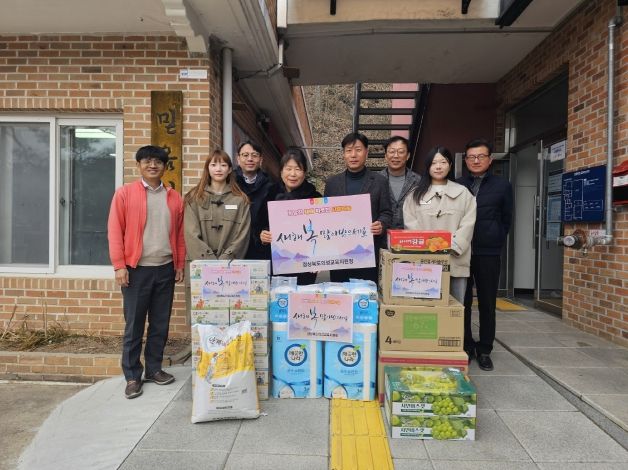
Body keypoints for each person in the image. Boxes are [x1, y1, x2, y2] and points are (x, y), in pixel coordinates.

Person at [107, 145, 185, 399]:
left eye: (158, 162)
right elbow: (115, 231)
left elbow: (179, 235)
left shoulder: (174, 197)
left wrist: (179, 264)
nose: (153, 165)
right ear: (139, 165)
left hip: (165, 268)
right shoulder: (125, 194)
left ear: (164, 166)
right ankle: (132, 376)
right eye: (147, 161)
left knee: (160, 324)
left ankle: (154, 369)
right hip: (135, 270)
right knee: (134, 325)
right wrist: (119, 265)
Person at [457, 138, 513, 371]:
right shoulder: (458, 185)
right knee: (462, 301)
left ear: (490, 160)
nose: (476, 160)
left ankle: (485, 349)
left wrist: (495, 237)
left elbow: (507, 218)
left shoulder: (502, 185)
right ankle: (466, 345)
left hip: (488, 252)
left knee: (488, 302)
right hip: (461, 251)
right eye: (471, 157)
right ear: (465, 160)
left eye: (481, 156)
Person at [403, 145, 476, 305]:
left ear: (450, 165)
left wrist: (452, 246)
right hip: (425, 260)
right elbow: (410, 223)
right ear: (428, 166)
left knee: (455, 307)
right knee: (426, 306)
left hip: (455, 258)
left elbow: (468, 223)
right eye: (434, 163)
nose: (438, 167)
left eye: (443, 162)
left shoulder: (463, 193)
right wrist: (428, 245)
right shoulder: (415, 194)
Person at [324, 132, 393, 283]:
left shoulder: (380, 181)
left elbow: (387, 212)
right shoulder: (332, 184)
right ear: (343, 154)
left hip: (367, 254)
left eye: (358, 150)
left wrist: (381, 224)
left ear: (366, 152)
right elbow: (325, 218)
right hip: (339, 255)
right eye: (349, 150)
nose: (353, 155)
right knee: (340, 294)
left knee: (366, 294)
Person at [260, 148, 322, 285]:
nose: (292, 174)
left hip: (305, 266)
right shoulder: (270, 195)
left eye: (297, 169)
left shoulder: (315, 199)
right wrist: (263, 235)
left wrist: (320, 258)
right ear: (281, 171)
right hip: (277, 263)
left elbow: (323, 233)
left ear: (304, 172)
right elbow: (260, 224)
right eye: (288, 169)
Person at [184, 149, 251, 261]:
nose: (218, 169)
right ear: (207, 168)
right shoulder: (193, 198)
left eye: (223, 165)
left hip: (230, 265)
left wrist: (225, 259)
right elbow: (191, 235)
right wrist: (209, 261)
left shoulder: (240, 200)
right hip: (199, 264)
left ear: (230, 169)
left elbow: (243, 235)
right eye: (213, 165)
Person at [234, 140, 276, 260]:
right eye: (245, 155)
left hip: (260, 250)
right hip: (233, 249)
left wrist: (266, 231)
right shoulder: (230, 183)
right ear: (238, 159)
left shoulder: (271, 186)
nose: (250, 159)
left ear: (261, 159)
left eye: (254, 155)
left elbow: (275, 218)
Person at [380, 135, 421, 229]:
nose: (396, 156)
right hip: (382, 235)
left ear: (408, 156)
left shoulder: (418, 181)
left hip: (409, 234)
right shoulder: (375, 180)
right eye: (392, 151)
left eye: (401, 152)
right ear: (385, 156)